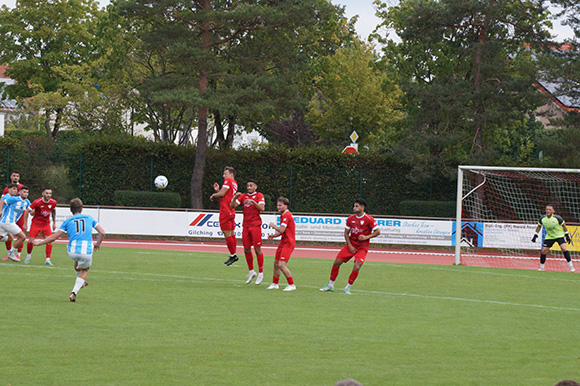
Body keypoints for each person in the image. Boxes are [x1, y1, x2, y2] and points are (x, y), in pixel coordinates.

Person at [32, 198, 105, 302]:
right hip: (86, 250)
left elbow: (54, 237)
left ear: (71, 210)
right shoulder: (89, 218)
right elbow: (102, 233)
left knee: (77, 260)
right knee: (85, 269)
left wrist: (40, 242)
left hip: (72, 250)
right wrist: (97, 244)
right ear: (82, 209)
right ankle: (74, 292)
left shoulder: (67, 221)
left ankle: (82, 282)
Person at [320, 198, 380, 294]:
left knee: (356, 267)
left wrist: (366, 237)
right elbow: (346, 234)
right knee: (336, 263)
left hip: (362, 247)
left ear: (362, 207)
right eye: (354, 206)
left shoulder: (369, 219)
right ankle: (330, 285)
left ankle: (347, 288)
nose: (354, 208)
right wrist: (350, 246)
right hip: (351, 245)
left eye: (357, 206)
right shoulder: (350, 219)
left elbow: (377, 232)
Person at [231, 179, 265, 285]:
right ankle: (251, 271)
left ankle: (260, 273)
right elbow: (232, 206)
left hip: (255, 225)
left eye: (251, 185)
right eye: (247, 185)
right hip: (245, 226)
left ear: (255, 187)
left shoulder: (259, 195)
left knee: (257, 249)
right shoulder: (244, 196)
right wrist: (235, 197)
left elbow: (262, 208)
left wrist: (253, 201)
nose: (248, 187)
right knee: (246, 249)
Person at [532, 204, 575, 272]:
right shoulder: (542, 218)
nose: (548, 211)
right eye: (547, 209)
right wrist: (535, 235)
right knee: (543, 251)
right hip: (550, 236)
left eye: (550, 210)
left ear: (553, 211)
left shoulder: (558, 218)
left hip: (559, 235)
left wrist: (567, 235)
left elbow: (564, 226)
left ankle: (571, 267)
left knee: (563, 248)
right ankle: (541, 268)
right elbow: (539, 226)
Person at [210, 166, 239, 266]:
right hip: (231, 210)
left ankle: (233, 255)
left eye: (225, 173)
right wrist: (218, 190)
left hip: (225, 211)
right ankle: (233, 254)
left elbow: (222, 194)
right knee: (231, 233)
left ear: (231, 174)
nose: (223, 176)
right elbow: (225, 195)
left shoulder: (228, 180)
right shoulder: (234, 183)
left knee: (227, 234)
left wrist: (214, 194)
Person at [267, 197, 296, 291]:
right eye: (277, 205)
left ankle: (291, 285)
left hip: (288, 243)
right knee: (276, 263)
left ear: (286, 206)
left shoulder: (287, 215)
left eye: (280, 205)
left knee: (281, 265)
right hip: (283, 242)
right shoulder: (282, 215)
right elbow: (283, 231)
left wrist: (273, 226)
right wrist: (274, 236)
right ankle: (275, 283)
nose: (278, 207)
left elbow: (282, 229)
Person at [24, 188, 57, 265]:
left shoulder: (53, 202)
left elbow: (54, 211)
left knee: (49, 240)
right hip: (36, 224)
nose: (48, 195)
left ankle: (48, 259)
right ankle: (28, 255)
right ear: (43, 193)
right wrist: (25, 224)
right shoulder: (37, 202)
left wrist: (54, 222)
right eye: (47, 193)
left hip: (46, 224)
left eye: (50, 193)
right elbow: (27, 211)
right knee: (31, 241)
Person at [0, 183, 31, 262]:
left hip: (5, 222)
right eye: (24, 192)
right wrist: (0, 211)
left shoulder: (27, 201)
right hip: (7, 222)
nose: (25, 194)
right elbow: (2, 202)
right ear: (20, 192)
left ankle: (10, 253)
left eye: (27, 192)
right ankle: (11, 253)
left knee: (9, 238)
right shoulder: (15, 199)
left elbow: (32, 211)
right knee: (22, 237)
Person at [2, 170, 25, 261]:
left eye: (17, 176)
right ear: (11, 177)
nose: (15, 177)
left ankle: (18, 253)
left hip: (18, 215)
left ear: (19, 178)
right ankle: (9, 253)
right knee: (10, 235)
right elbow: (2, 200)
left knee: (20, 234)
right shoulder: (7, 188)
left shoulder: (22, 187)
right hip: (8, 216)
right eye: (14, 176)